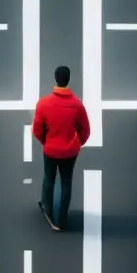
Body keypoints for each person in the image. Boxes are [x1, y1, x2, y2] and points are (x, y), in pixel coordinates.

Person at [32, 65, 91, 231]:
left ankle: (48, 209)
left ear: (55, 79)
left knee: (49, 179)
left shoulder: (44, 104)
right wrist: (77, 143)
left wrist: (47, 141)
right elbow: (85, 130)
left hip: (50, 150)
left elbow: (37, 129)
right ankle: (60, 220)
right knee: (66, 182)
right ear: (68, 80)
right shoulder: (77, 105)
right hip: (70, 152)